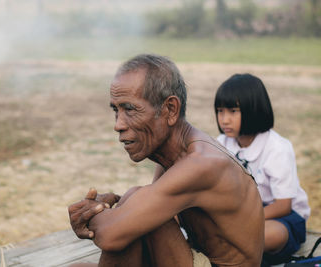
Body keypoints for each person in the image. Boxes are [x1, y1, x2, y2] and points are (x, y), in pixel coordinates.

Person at [68, 54, 264, 267]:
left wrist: (91, 214)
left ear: (170, 109)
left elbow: (111, 235)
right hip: (197, 256)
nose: (118, 125)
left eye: (130, 109)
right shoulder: (171, 155)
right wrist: (108, 208)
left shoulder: (201, 164)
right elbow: (153, 210)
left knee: (136, 201)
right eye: (116, 110)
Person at [214, 73, 310, 265]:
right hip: (240, 212)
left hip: (282, 216)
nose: (224, 119)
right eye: (220, 111)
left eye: (232, 111)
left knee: (265, 235)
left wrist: (242, 220)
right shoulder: (221, 144)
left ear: (254, 110)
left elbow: (284, 205)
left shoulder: (277, 147)